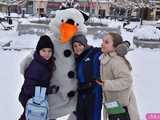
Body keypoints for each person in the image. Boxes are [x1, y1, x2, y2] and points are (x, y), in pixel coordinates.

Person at [71, 34, 130, 120]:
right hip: (81, 95)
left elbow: (111, 49)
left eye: (80, 45)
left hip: (94, 93)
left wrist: (124, 45)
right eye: (75, 46)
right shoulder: (74, 59)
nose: (78, 48)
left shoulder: (94, 52)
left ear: (85, 44)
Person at [96, 32, 140, 120]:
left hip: (121, 105)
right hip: (113, 104)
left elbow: (127, 80)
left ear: (115, 46)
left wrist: (106, 84)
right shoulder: (106, 58)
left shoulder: (116, 61)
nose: (102, 44)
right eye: (103, 41)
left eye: (106, 42)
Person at [18, 35, 55, 120]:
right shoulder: (36, 66)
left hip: (38, 99)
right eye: (44, 51)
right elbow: (28, 88)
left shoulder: (46, 63)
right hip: (30, 99)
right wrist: (48, 90)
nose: (47, 54)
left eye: (49, 51)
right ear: (38, 51)